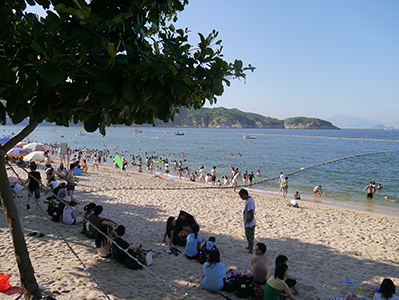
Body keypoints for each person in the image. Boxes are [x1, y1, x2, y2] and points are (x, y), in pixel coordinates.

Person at [240, 189, 256, 254]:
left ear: (244, 194)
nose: (241, 197)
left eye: (241, 196)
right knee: (248, 236)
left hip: (250, 223)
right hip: (249, 222)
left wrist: (251, 219)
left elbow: (251, 211)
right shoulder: (250, 199)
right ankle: (249, 247)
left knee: (250, 237)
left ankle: (251, 250)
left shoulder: (249, 202)